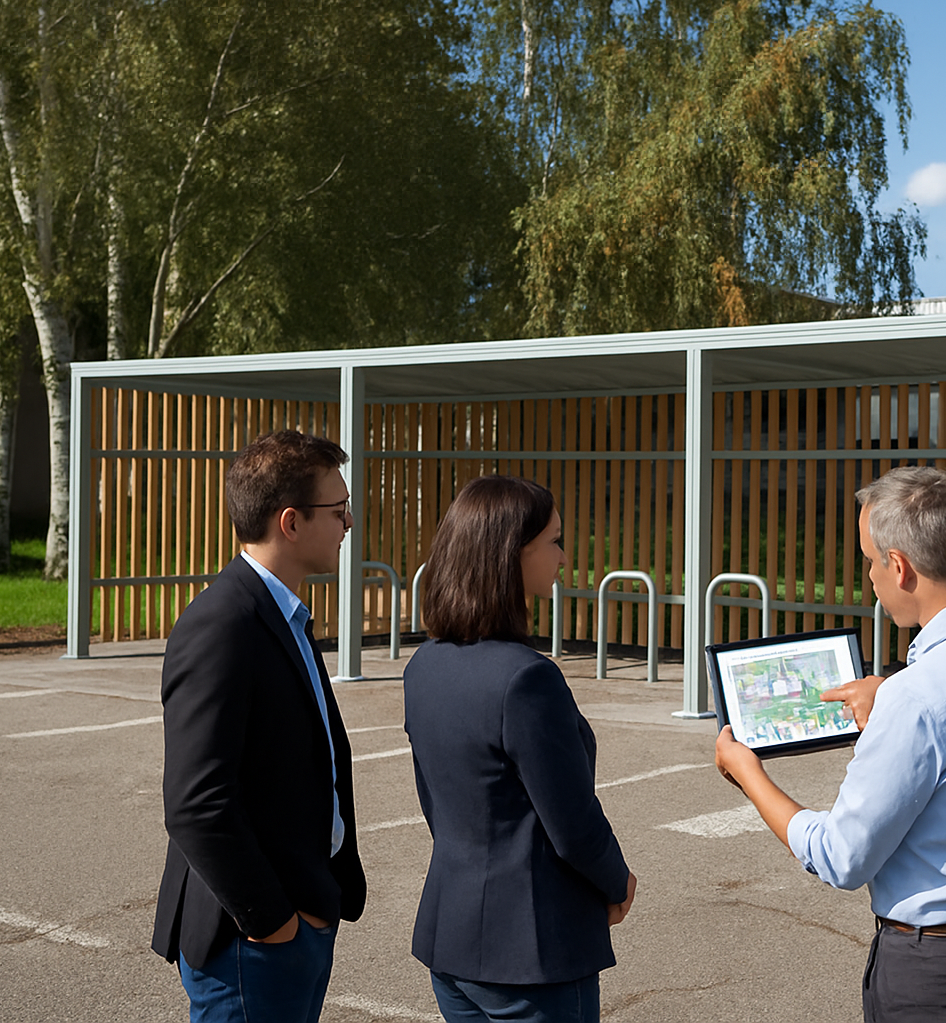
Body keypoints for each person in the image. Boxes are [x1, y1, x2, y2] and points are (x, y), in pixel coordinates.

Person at [715, 465, 946, 1023]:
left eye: (869, 560)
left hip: (942, 971)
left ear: (899, 566)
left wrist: (749, 773)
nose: (868, 577)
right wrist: (889, 699)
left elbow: (841, 858)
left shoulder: (915, 698)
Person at [151, 429, 366, 1022]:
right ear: (290, 522)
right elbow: (196, 803)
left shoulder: (283, 612)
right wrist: (274, 924)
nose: (349, 523)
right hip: (251, 942)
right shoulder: (222, 624)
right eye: (339, 510)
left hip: (298, 917)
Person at [405, 474, 636, 1023]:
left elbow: (439, 806)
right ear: (511, 552)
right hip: (532, 952)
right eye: (554, 541)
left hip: (452, 937)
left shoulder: (423, 666)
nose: (563, 556)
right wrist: (616, 879)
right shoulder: (527, 679)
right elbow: (572, 821)